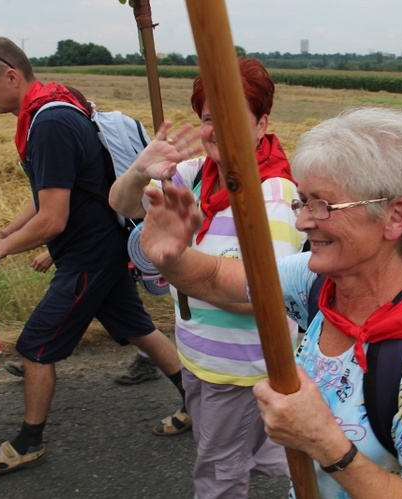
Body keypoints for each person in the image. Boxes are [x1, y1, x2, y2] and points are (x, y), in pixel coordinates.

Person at [134, 106, 402, 498]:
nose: (302, 221)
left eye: (322, 204)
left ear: (395, 217)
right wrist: (171, 255)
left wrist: (325, 443)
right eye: (302, 201)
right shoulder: (315, 280)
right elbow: (216, 279)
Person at [0, 36, 186, 473]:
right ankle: (202, 403)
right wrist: (6, 229)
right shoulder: (54, 109)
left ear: (11, 76)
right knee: (139, 328)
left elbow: (53, 220)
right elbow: (47, 192)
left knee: (35, 347)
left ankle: (28, 443)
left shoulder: (48, 124)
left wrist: (4, 247)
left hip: (89, 256)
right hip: (103, 246)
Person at [109, 57, 304, 496]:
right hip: (198, 354)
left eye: (234, 115)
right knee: (252, 451)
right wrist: (141, 169)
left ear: (262, 123)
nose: (217, 128)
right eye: (209, 118)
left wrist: (176, 263)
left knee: (217, 474)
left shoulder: (273, 193)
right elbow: (123, 205)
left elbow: (264, 296)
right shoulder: (197, 175)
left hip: (239, 365)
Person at [4, 251, 163, 387]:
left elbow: (91, 219)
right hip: (103, 254)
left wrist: (53, 253)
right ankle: (36, 361)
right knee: (131, 320)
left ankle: (37, 361)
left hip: (104, 253)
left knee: (131, 321)